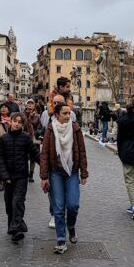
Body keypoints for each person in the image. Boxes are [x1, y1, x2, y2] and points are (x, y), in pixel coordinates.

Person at [40, 102, 89, 254]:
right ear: (57, 115)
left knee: (73, 205)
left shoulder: (75, 129)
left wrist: (84, 173)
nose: (68, 116)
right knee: (59, 207)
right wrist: (44, 176)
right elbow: (45, 153)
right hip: (56, 172)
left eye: (69, 113)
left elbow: (81, 151)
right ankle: (61, 240)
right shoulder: (50, 129)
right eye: (65, 113)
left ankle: (71, 227)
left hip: (72, 172)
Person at [0, 112, 40, 242]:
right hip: (8, 176)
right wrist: (4, 176)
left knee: (18, 201)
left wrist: (45, 165)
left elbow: (35, 154)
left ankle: (16, 230)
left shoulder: (26, 137)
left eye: (20, 122)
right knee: (9, 203)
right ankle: (15, 224)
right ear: (10, 121)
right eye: (15, 121)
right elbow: (0, 158)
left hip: (21, 175)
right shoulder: (4, 138)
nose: (17, 124)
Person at [23, 99, 40, 182]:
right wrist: (29, 117)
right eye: (28, 103)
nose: (30, 105)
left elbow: (39, 126)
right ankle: (25, 173)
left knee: (33, 157)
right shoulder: (22, 115)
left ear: (34, 106)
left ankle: (31, 175)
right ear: (26, 105)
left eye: (31, 103)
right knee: (24, 157)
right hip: (24, 138)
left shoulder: (37, 116)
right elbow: (23, 124)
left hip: (34, 138)